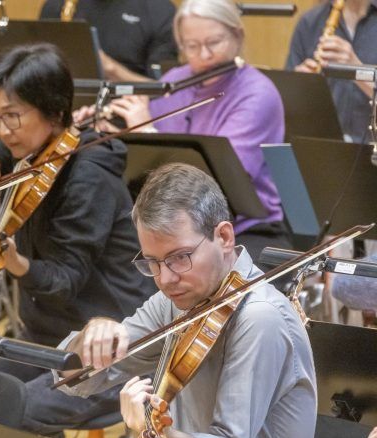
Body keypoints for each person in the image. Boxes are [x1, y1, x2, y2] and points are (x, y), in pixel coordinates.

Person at [61, 163, 316, 438]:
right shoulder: (180, 302)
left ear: (224, 237)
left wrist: (159, 436)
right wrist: (92, 337)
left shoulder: (261, 318)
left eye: (179, 258)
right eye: (152, 262)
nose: (164, 279)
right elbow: (75, 379)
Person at [0, 44, 156, 433]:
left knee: (17, 413)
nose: (2, 131)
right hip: (45, 335)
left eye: (13, 117)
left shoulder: (90, 173)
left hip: (107, 344)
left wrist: (14, 261)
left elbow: (64, 282)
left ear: (54, 112)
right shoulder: (23, 148)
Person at [80, 0, 289, 260]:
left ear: (238, 36)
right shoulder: (174, 81)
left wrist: (145, 130)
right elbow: (141, 154)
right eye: (192, 46)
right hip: (176, 224)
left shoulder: (257, 94)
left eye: (214, 43)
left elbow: (216, 184)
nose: (203, 55)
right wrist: (105, 129)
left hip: (240, 229)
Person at [285, 0, 377, 142]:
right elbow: (286, 106)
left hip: (371, 151)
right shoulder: (310, 22)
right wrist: (300, 84)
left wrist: (356, 70)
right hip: (322, 149)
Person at [40, 0, 178, 81]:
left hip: (125, 116)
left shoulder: (160, 11)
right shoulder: (59, 5)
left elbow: (164, 91)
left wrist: (111, 69)